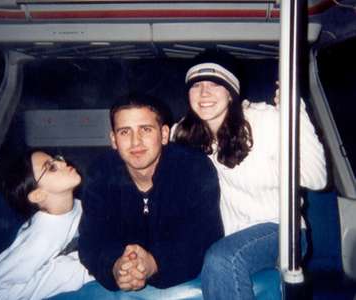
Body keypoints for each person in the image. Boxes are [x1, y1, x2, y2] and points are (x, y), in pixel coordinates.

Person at [172, 53, 327, 300]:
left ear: (231, 92)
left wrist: (295, 110)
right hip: (230, 235)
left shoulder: (264, 121)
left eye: (215, 84)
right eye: (196, 86)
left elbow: (317, 178)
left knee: (222, 259)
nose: (204, 93)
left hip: (282, 231)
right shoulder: (183, 133)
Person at [78, 94, 223, 293]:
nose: (135, 142)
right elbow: (91, 241)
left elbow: (205, 237)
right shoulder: (100, 173)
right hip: (125, 275)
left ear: (164, 134)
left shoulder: (194, 168)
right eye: (124, 132)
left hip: (181, 275)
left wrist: (154, 263)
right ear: (113, 140)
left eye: (145, 130)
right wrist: (115, 266)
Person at [0, 151, 95, 300]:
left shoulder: (79, 206)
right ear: (38, 195)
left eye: (57, 159)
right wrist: (76, 271)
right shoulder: (43, 237)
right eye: (51, 167)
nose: (63, 163)